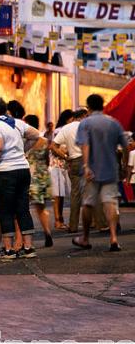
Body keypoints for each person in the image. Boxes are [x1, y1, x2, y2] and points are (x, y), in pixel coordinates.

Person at [73, 94, 127, 252]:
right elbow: (124, 146)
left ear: (88, 107)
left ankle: (85, 238)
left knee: (88, 203)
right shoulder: (114, 123)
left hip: (92, 171)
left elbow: (85, 145)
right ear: (103, 105)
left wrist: (86, 165)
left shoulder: (86, 123)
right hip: (111, 169)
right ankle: (113, 238)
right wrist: (123, 165)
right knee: (110, 203)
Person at [0, 98, 41, 260]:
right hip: (23, 169)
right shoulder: (17, 123)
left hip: (5, 171)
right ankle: (28, 247)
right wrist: (22, 150)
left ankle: (9, 249)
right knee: (22, 208)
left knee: (6, 210)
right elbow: (36, 135)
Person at [51, 109, 88, 233]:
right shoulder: (87, 126)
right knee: (93, 191)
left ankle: (73, 225)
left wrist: (65, 157)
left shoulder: (66, 128)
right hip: (89, 160)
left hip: (74, 161)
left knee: (75, 194)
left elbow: (53, 146)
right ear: (83, 116)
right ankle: (96, 222)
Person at [24, 115, 53, 248]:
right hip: (43, 175)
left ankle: (25, 241)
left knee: (23, 208)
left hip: (30, 175)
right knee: (41, 208)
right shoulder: (45, 141)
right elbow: (47, 160)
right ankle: (47, 232)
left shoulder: (26, 141)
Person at [50, 110, 74, 230]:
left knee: (61, 194)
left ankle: (60, 219)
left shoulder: (64, 129)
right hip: (57, 165)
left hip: (63, 165)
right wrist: (65, 154)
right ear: (67, 119)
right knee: (57, 195)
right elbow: (55, 148)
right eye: (71, 119)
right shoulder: (60, 130)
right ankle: (57, 220)